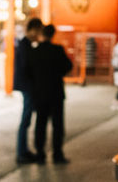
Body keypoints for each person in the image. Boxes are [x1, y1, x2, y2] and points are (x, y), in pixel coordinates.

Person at [31, 24, 73, 164]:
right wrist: (57, 74)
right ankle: (57, 153)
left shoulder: (36, 51)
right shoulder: (57, 50)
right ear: (53, 34)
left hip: (40, 92)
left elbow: (29, 71)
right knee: (57, 125)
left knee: (40, 123)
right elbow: (68, 66)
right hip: (55, 91)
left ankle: (40, 153)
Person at [15, 18, 44, 164]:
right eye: (38, 30)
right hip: (28, 86)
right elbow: (26, 66)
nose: (38, 34)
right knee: (25, 119)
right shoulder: (25, 44)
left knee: (26, 119)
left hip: (27, 85)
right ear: (33, 29)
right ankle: (21, 152)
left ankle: (24, 150)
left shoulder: (25, 44)